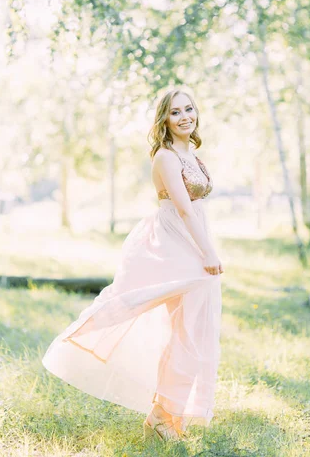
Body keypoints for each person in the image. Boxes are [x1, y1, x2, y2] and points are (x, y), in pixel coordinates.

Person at [42, 87, 224, 442]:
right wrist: (208, 254)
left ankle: (168, 415)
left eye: (189, 109)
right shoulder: (166, 157)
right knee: (185, 332)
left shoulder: (192, 153)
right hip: (177, 244)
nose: (185, 116)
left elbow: (197, 209)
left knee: (194, 333)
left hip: (196, 240)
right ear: (164, 119)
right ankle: (159, 417)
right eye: (175, 112)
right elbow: (184, 208)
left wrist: (208, 247)